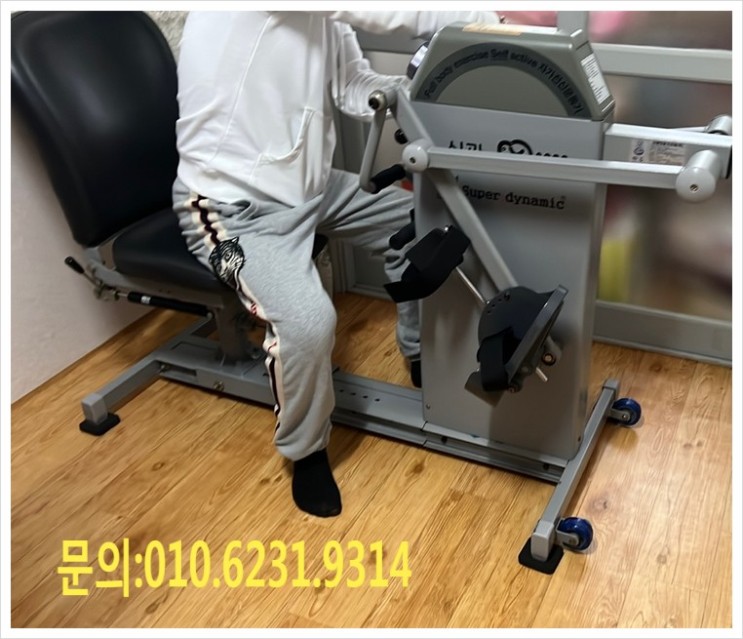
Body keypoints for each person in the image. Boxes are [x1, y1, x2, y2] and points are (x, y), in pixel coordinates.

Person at [172, 10, 501, 518]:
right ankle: (305, 450)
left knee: (426, 223)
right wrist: (485, 18)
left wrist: (410, 93)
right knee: (307, 324)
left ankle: (418, 352)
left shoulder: (323, 18)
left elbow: (352, 86)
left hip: (309, 190)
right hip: (227, 208)